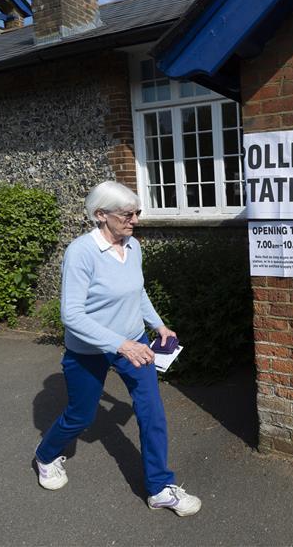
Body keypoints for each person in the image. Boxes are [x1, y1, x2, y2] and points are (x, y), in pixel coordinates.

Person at [34, 181, 200, 517]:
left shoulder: (133, 246)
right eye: (127, 214)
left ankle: (159, 488)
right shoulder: (81, 253)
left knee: (151, 411)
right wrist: (119, 345)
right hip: (89, 350)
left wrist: (157, 324)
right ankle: (46, 455)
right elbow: (72, 315)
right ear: (100, 215)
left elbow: (136, 292)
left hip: (134, 342)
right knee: (81, 415)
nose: (135, 219)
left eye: (136, 212)